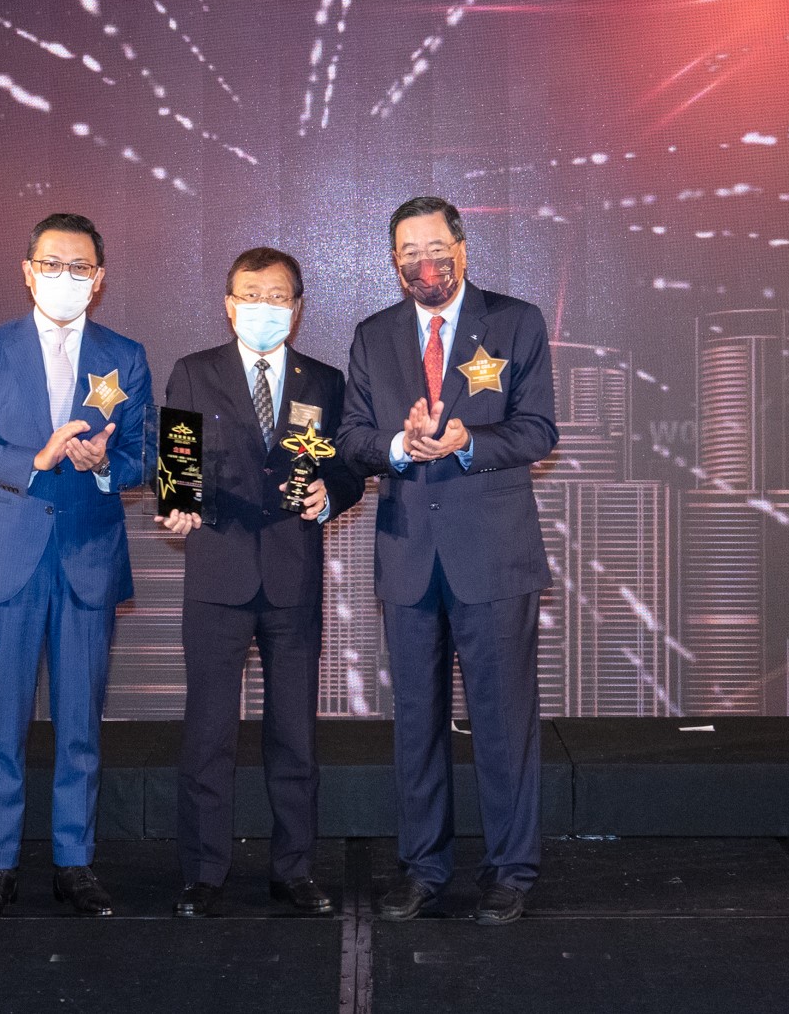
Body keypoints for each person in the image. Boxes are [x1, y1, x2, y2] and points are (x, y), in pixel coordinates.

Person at [336, 196, 558, 926]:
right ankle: (423, 869)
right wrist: (400, 446)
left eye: (435, 247)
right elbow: (354, 438)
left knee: (503, 722)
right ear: (393, 260)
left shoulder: (516, 322)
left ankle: (510, 871)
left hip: (493, 555)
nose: (423, 262)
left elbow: (538, 429)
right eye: (408, 251)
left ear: (461, 249)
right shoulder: (374, 336)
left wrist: (467, 442)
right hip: (408, 555)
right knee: (416, 724)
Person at [0, 212, 152, 918]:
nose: (66, 277)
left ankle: (74, 862)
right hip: (6, 555)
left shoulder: (125, 354)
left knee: (80, 723)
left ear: (100, 278)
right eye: (52, 265)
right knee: (2, 722)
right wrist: (34, 460)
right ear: (28, 272)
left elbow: (145, 454)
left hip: (87, 556)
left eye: (80, 267)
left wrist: (103, 466)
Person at [157, 246, 366, 919]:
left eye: (278, 297)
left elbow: (349, 467)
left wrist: (331, 496)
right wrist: (177, 503)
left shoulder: (324, 382)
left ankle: (294, 870)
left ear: (297, 309)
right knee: (208, 733)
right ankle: (203, 873)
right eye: (251, 295)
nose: (264, 307)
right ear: (229, 304)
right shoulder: (194, 372)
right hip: (216, 575)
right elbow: (178, 464)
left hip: (292, 576)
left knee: (295, 733)